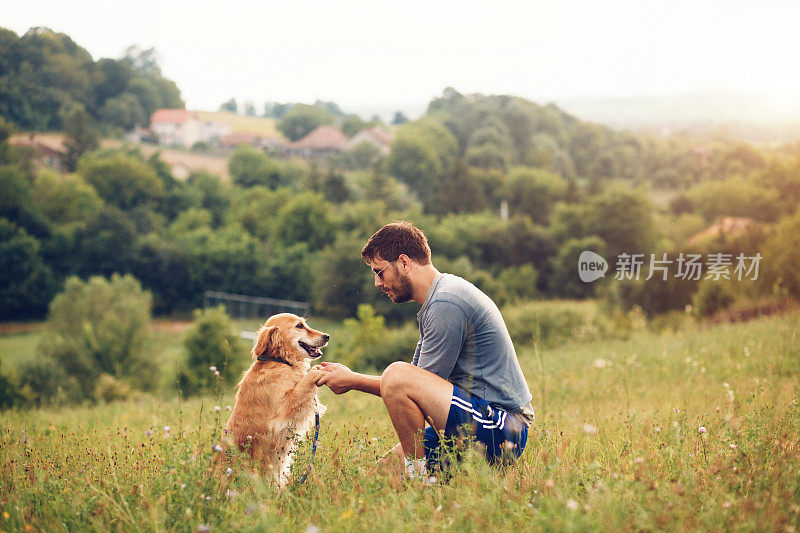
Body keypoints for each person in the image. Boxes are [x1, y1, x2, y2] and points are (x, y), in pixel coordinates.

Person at [315, 221, 534, 479]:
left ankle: (418, 482)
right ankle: (425, 478)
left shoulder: (446, 303)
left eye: (379, 272)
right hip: (478, 417)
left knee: (397, 373)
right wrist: (352, 377)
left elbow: (402, 384)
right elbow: (412, 382)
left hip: (502, 428)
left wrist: (352, 380)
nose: (377, 283)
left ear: (405, 263)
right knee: (381, 475)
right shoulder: (439, 297)